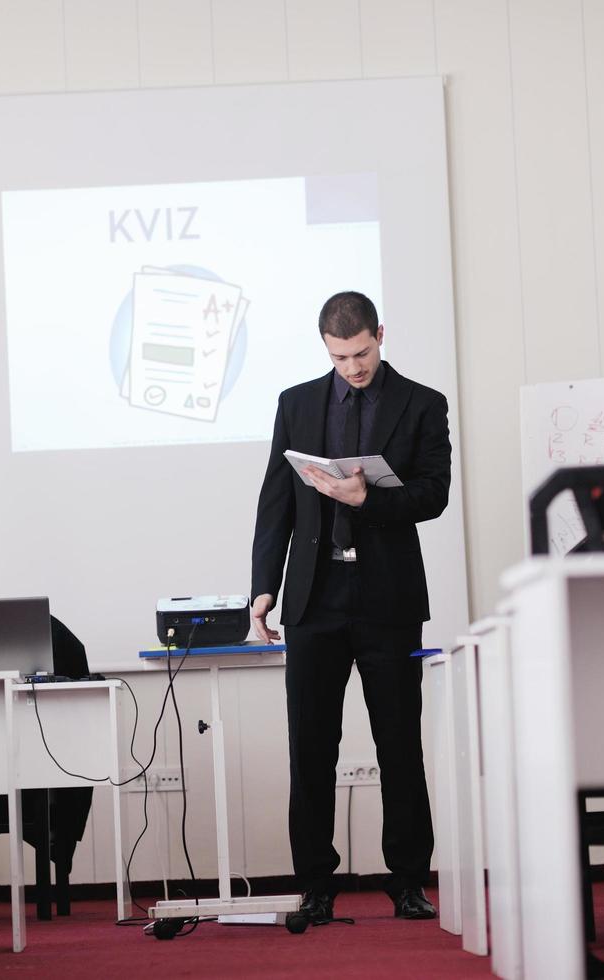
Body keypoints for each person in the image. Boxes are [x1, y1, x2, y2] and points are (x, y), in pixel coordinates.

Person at [249, 291, 451, 924]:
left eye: (361, 353)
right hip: (313, 598)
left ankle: (410, 879)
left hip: (387, 597)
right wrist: (263, 589)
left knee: (399, 742)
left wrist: (368, 501)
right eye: (340, 357)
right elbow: (276, 498)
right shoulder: (297, 403)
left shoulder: (423, 403)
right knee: (310, 747)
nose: (353, 367)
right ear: (326, 349)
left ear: (380, 335)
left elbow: (434, 494)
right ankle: (314, 880)